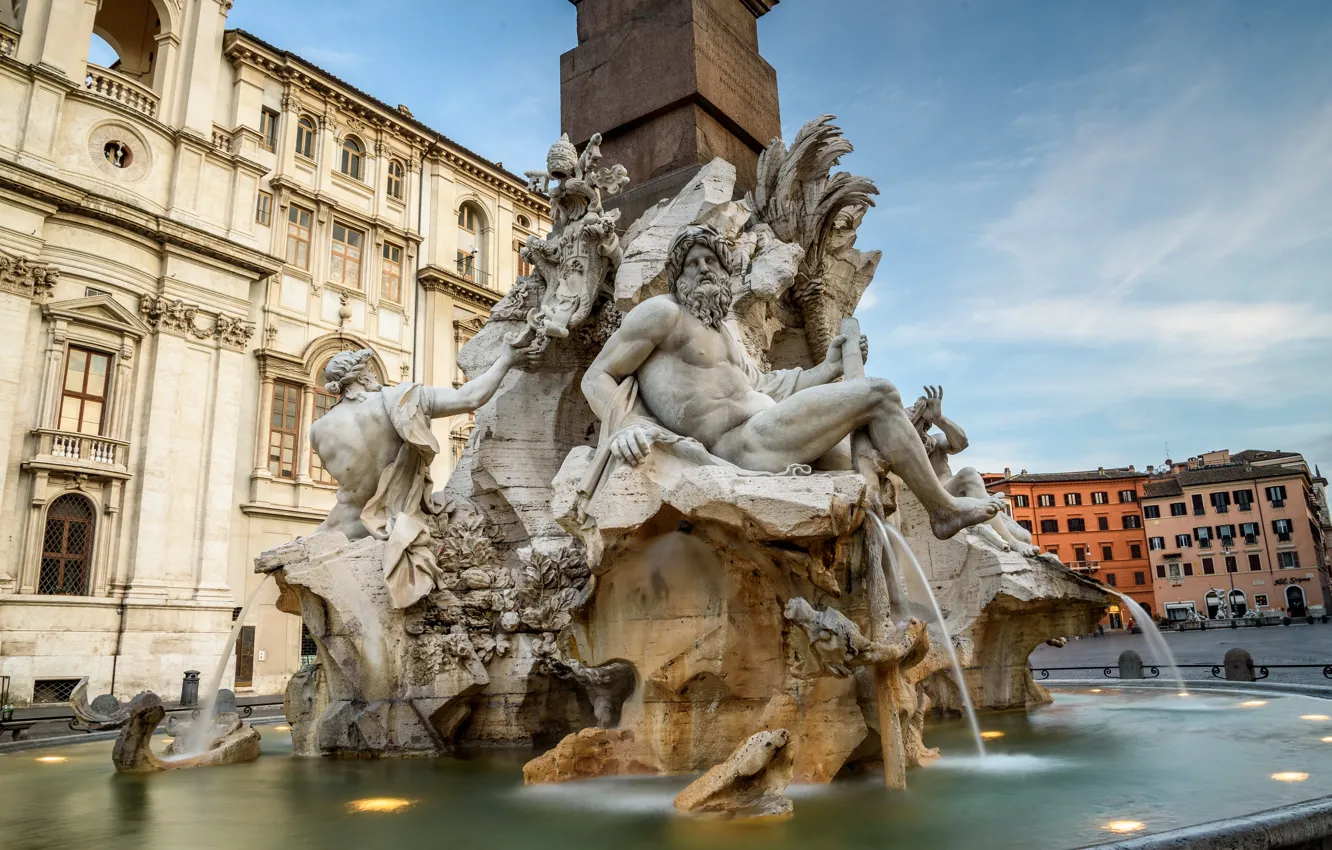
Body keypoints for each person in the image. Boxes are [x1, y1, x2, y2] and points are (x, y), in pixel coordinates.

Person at [580, 225, 1003, 540]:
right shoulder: (662, 313)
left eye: (711, 260)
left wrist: (829, 368)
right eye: (693, 264)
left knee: (873, 479)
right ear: (678, 276)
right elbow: (597, 375)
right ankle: (944, 510)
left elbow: (764, 386)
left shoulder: (721, 329)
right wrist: (627, 424)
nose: (704, 269)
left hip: (771, 429)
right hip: (742, 445)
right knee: (881, 394)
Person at [310, 336, 531, 607]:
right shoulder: (402, 400)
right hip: (400, 522)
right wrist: (507, 358)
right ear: (364, 374)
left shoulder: (318, 429)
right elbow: (471, 397)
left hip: (343, 529)